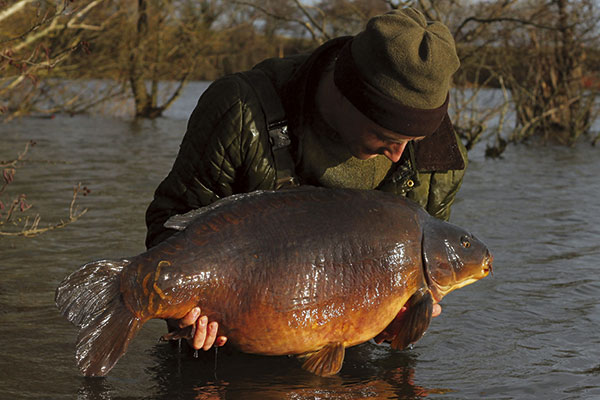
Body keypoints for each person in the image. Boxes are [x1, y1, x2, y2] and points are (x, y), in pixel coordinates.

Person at [145, 8, 467, 352]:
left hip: (345, 349)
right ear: (344, 92)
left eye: (412, 141)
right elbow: (172, 225)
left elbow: (418, 281)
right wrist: (183, 306)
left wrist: (403, 319)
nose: (398, 156)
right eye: (384, 135)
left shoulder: (437, 159)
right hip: (232, 336)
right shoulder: (240, 110)